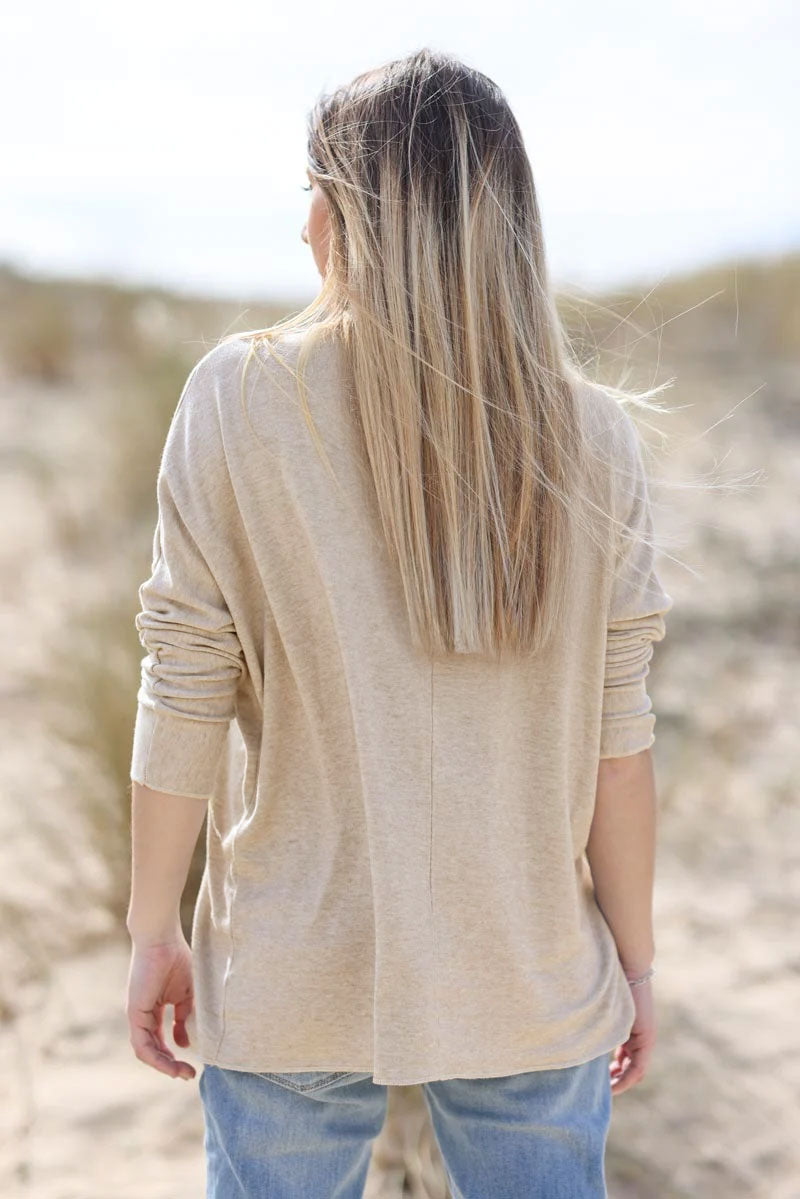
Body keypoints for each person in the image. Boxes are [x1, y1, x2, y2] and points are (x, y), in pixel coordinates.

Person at [124, 46, 673, 1199]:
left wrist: (150, 928)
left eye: (311, 193)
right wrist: (635, 956)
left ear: (342, 212)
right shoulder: (597, 439)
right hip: (529, 970)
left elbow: (183, 682)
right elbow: (619, 747)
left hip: (291, 963)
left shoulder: (237, 396)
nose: (303, 225)